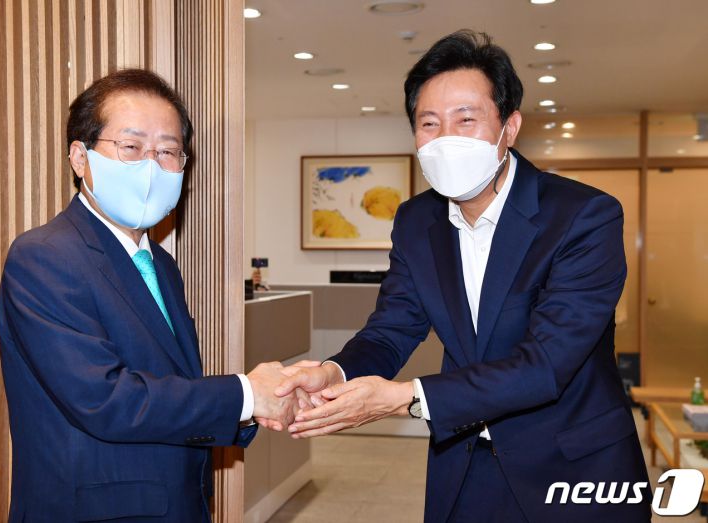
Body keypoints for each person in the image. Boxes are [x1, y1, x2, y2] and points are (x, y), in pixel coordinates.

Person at [276, 30, 651, 522]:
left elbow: (545, 364)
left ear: (509, 127)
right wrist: (335, 373)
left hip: (573, 466)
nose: (446, 138)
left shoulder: (582, 215)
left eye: (466, 119)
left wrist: (406, 399)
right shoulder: (417, 221)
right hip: (465, 462)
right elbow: (391, 329)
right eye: (429, 123)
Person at [0, 69, 309, 522]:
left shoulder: (159, 262)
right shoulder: (44, 256)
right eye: (131, 146)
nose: (150, 165)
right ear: (80, 158)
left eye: (167, 151)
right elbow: (105, 399)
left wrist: (256, 406)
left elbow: (169, 382)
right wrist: (246, 395)